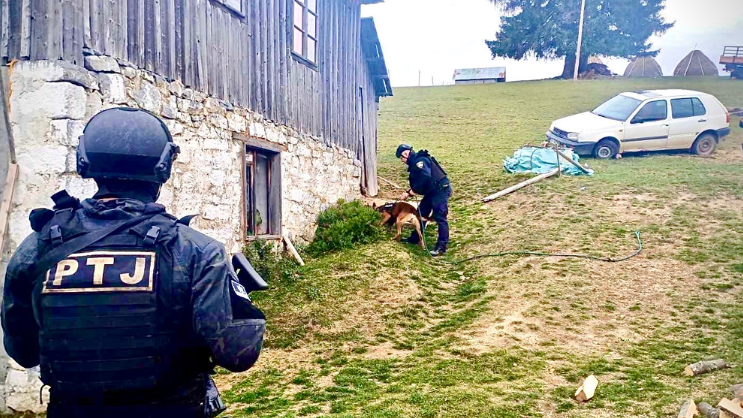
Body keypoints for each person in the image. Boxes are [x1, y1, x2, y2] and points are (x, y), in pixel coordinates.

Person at [1, 108, 266, 418]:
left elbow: (23, 352)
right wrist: (240, 303)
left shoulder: (38, 247)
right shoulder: (195, 250)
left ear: (85, 161)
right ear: (163, 166)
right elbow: (238, 354)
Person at [396, 144, 452, 256]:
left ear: (406, 153)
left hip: (440, 190)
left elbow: (425, 178)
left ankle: (441, 247)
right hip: (431, 191)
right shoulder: (416, 162)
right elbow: (421, 182)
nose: (402, 160)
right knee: (421, 212)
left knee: (440, 217)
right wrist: (409, 192)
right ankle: (415, 238)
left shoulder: (420, 161)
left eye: (401, 157)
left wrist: (412, 192)